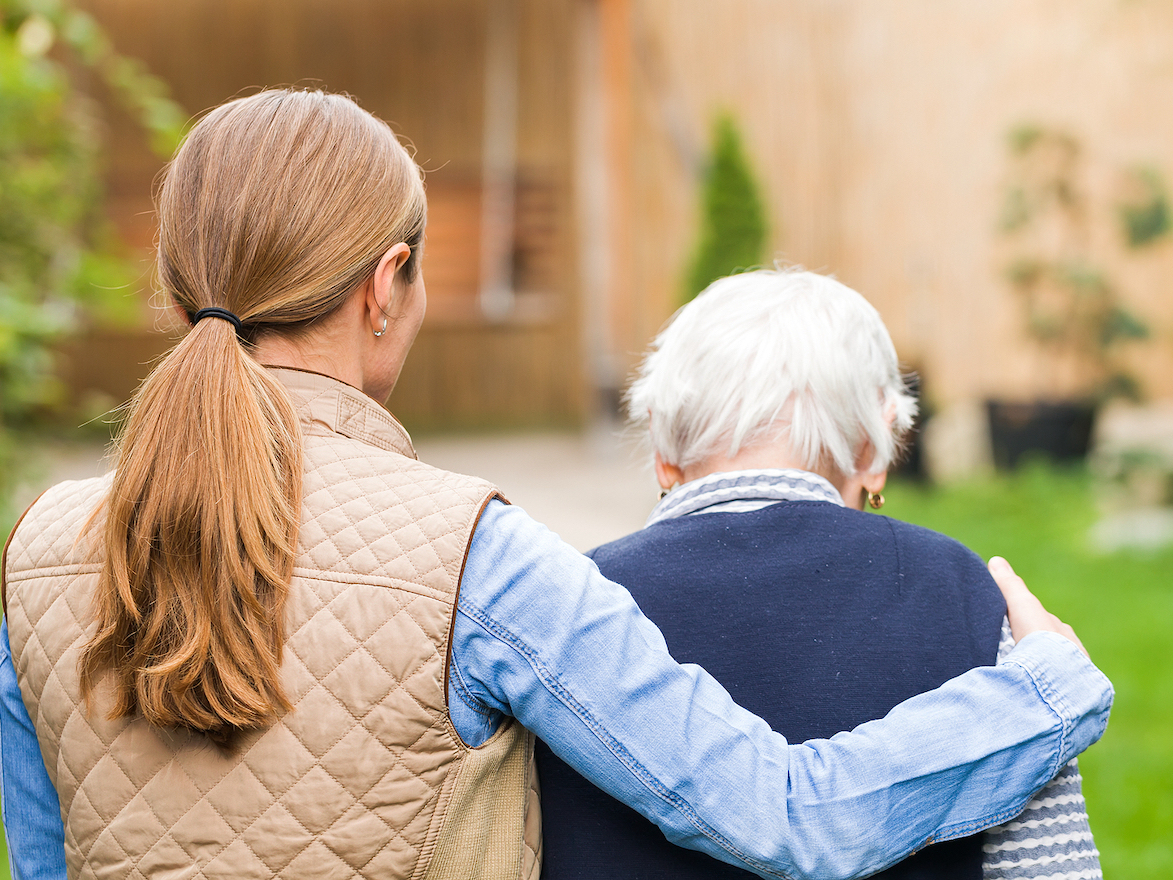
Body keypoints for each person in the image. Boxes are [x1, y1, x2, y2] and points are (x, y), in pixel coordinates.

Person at [0, 90, 1111, 880]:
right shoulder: (471, 554)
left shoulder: (36, 552)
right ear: (388, 286)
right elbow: (782, 816)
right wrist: (1043, 694)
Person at [536, 268, 1103, 880]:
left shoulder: (571, 605)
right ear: (874, 449)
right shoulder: (966, 592)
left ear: (662, 452)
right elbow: (1047, 864)